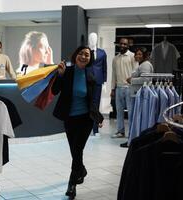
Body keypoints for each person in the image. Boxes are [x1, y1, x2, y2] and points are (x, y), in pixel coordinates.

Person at [52, 46, 104, 199]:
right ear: (75, 55)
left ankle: (72, 184)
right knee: (74, 150)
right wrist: (60, 76)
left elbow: (93, 100)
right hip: (70, 118)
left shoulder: (91, 74)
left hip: (85, 119)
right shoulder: (67, 72)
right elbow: (55, 91)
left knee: (78, 149)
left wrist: (98, 117)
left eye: (87, 55)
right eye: (81, 53)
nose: (83, 56)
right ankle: (81, 170)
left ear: (90, 58)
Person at [119, 47, 154, 148]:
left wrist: (132, 80)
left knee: (136, 119)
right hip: (138, 95)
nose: (137, 56)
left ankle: (133, 140)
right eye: (136, 54)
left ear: (144, 55)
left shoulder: (145, 65)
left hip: (140, 96)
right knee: (135, 119)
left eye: (140, 54)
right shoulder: (142, 64)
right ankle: (133, 139)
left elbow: (146, 79)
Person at [111, 38, 137, 139]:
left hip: (129, 88)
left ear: (128, 45)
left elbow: (136, 72)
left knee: (131, 111)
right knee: (119, 111)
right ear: (118, 44)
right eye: (121, 44)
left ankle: (131, 133)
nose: (122, 45)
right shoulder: (115, 58)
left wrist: (134, 86)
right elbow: (113, 75)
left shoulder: (132, 56)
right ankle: (120, 131)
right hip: (118, 88)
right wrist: (112, 89)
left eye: (125, 44)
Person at [87, 32, 107, 136]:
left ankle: (95, 129)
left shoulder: (102, 53)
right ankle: (86, 127)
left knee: (96, 104)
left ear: (97, 40)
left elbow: (104, 68)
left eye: (94, 38)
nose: (92, 40)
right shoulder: (85, 52)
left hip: (98, 82)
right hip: (87, 80)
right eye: (90, 38)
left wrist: (104, 82)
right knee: (87, 103)